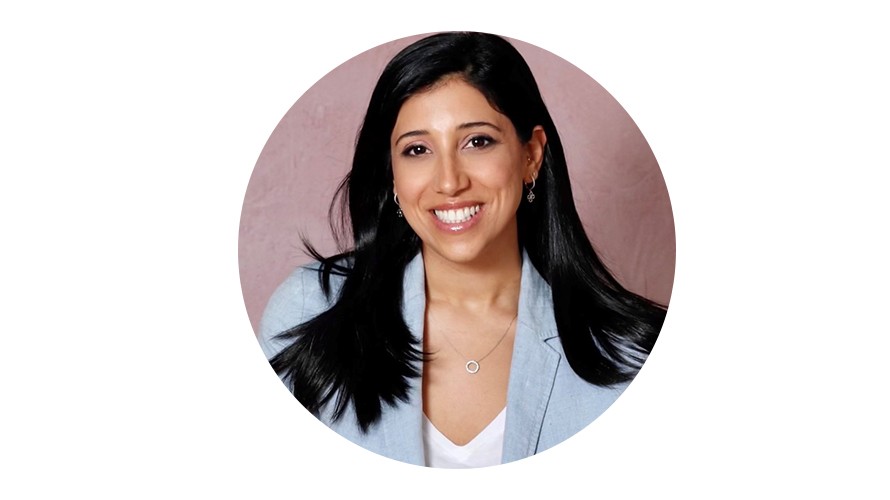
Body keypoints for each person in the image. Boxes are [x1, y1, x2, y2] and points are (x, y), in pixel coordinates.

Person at [258, 31, 667, 468]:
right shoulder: (308, 313)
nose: (450, 181)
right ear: (392, 174)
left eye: (477, 141)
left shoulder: (637, 353)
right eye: (417, 149)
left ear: (530, 155)